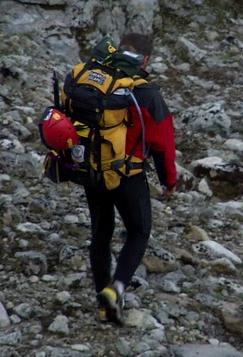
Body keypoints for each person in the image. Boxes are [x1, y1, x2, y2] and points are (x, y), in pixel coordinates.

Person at [86, 33, 177, 324]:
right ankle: (116, 290)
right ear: (145, 59)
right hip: (128, 174)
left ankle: (103, 301)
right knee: (138, 231)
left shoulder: (95, 79)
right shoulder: (147, 92)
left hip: (93, 168)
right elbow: (163, 143)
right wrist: (168, 181)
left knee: (101, 232)